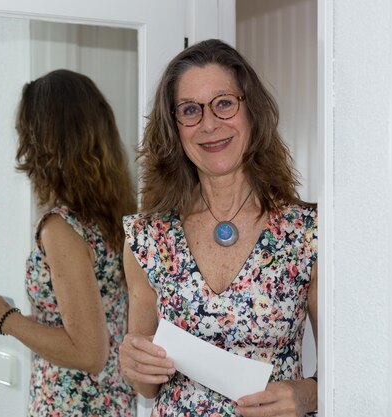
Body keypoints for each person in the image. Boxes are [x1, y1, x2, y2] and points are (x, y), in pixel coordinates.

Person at [119, 39, 318, 417]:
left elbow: (351, 369)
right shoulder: (147, 238)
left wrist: (308, 394)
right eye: (190, 110)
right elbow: (148, 383)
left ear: (252, 112)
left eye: (224, 103)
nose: (209, 124)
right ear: (175, 127)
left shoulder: (308, 233)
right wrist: (136, 363)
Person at [0, 69, 138, 416]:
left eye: (24, 134)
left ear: (45, 141)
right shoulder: (112, 216)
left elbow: (90, 353)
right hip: (111, 403)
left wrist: (5, 319)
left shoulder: (60, 228)